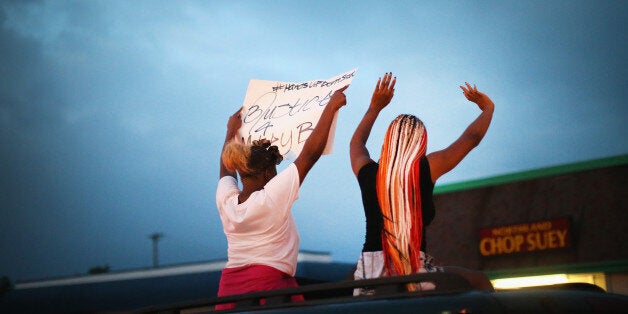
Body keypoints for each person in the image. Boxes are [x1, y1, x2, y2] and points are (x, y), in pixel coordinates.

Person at [349, 73, 494, 294]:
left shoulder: (368, 172)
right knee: (479, 280)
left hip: (369, 274)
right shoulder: (426, 168)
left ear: (388, 141)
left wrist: (375, 107)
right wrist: (487, 109)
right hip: (415, 272)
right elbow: (471, 138)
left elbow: (356, 143)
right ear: (420, 143)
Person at [215, 85, 349, 309]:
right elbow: (310, 154)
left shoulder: (227, 201)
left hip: (229, 291)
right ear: (267, 173)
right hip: (268, 289)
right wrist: (331, 107)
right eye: (275, 169)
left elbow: (225, 170)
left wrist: (231, 130)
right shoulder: (271, 198)